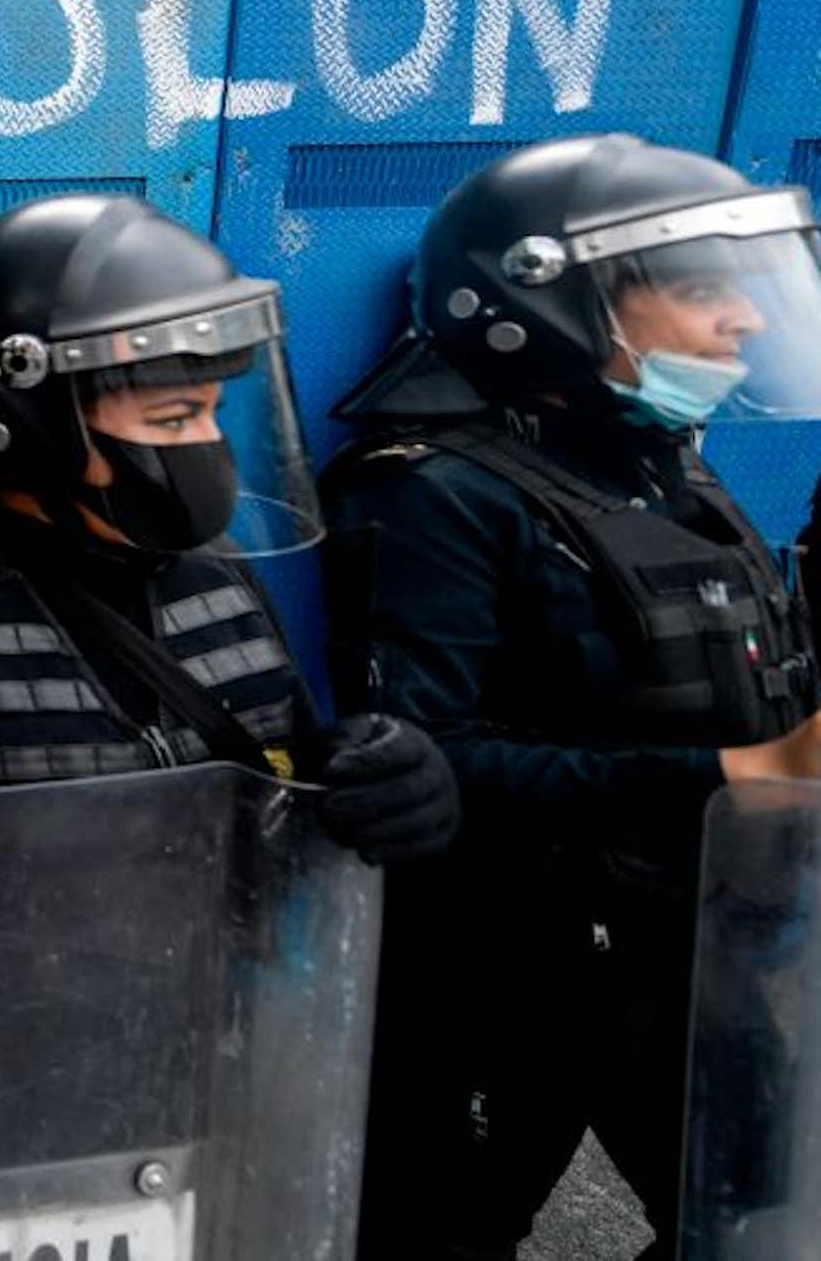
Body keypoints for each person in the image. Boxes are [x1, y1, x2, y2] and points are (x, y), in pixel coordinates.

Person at [320, 135, 821, 1261]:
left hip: (700, 937)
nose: (739, 323)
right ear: (543, 306)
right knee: (441, 1230)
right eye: (698, 293)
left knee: (749, 1212)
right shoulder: (437, 495)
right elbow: (432, 760)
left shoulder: (666, 466)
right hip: (516, 963)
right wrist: (737, 776)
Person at [0, 192, 457, 868]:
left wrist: (384, 780)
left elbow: (281, 777)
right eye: (173, 419)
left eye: (211, 413)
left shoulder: (221, 572)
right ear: (34, 423)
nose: (208, 448)